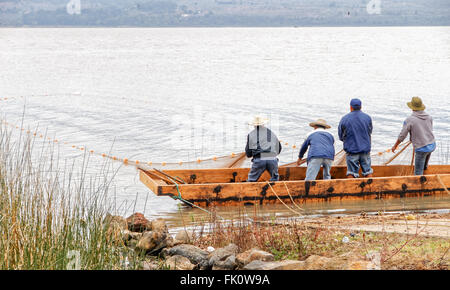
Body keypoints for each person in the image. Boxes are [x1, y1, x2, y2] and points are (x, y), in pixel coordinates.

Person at [391, 97, 435, 176]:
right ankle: (425, 172)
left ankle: (419, 184)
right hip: (432, 145)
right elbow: (428, 130)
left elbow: (402, 135)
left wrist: (395, 146)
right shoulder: (429, 117)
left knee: (418, 173)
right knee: (424, 166)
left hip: (421, 148)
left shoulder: (410, 119)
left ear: (412, 108)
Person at [338, 98, 373, 178]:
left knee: (351, 173)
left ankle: (351, 189)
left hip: (352, 150)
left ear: (351, 107)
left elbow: (340, 136)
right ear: (361, 107)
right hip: (365, 150)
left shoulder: (345, 119)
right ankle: (371, 188)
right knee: (368, 171)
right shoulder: (367, 118)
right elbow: (370, 131)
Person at [245, 116, 282, 182]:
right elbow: (279, 148)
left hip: (259, 160)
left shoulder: (251, 134)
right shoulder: (271, 133)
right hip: (272, 159)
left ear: (254, 126)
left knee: (251, 180)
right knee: (275, 179)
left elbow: (248, 153)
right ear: (263, 124)